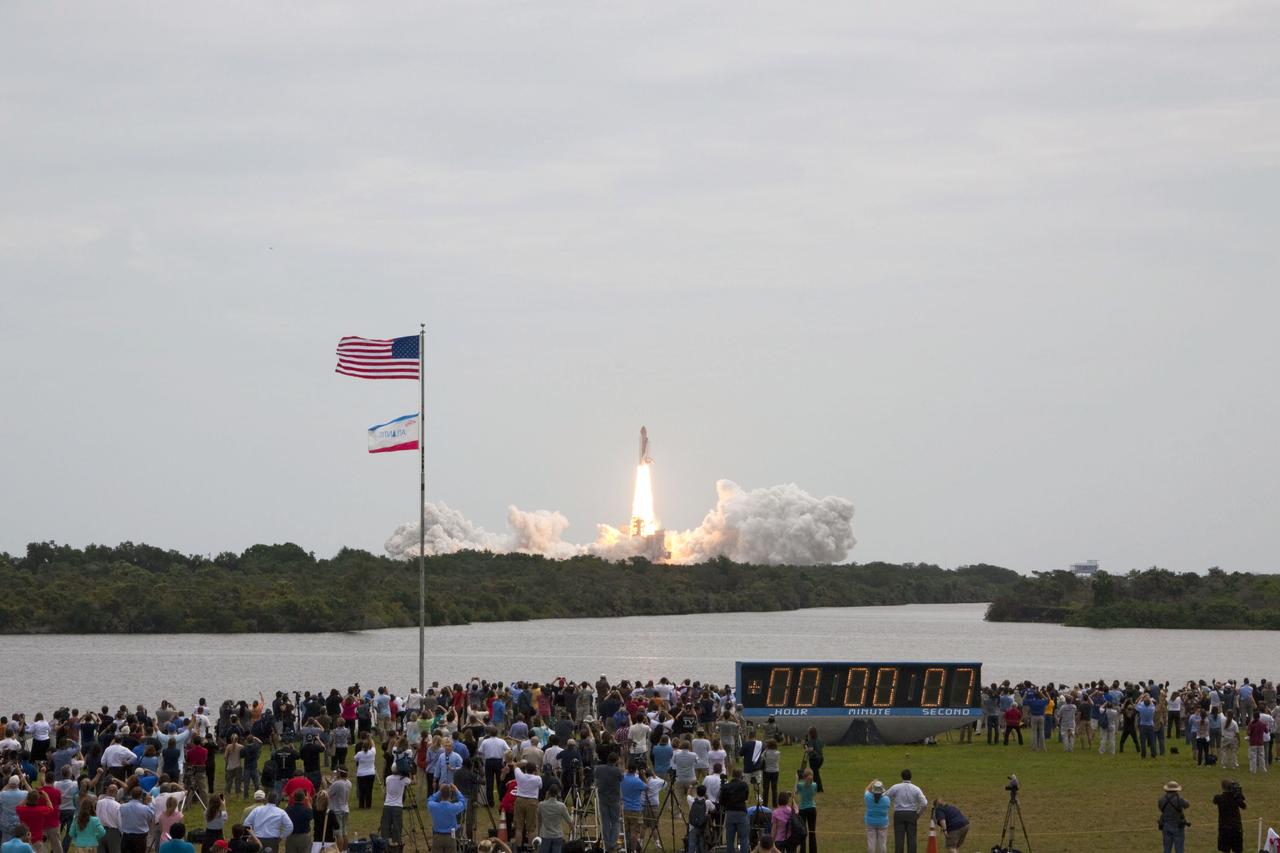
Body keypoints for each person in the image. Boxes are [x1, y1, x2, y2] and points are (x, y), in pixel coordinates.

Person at [885, 770, 926, 853]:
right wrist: (918, 814)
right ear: (911, 777)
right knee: (912, 838)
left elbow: (885, 796)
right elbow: (924, 803)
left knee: (899, 839)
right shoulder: (916, 788)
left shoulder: (896, 787)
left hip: (899, 814)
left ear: (902, 776)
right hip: (911, 814)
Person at [595, 751, 623, 853]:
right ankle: (612, 843)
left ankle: (607, 844)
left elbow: (596, 778)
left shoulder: (599, 768)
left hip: (602, 798)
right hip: (614, 799)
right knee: (615, 822)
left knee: (605, 821)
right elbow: (621, 779)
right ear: (616, 760)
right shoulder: (617, 770)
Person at [379, 758, 410, 848]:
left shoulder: (388, 778)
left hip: (387, 805)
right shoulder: (404, 780)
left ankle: (384, 843)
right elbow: (413, 781)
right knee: (397, 826)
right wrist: (408, 773)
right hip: (397, 806)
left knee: (385, 825)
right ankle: (396, 843)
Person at [426, 784, 467, 853]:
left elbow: (430, 799)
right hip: (451, 836)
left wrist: (439, 791)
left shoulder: (433, 806)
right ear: (450, 795)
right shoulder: (453, 807)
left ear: (440, 795)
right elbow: (463, 802)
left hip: (437, 836)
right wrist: (457, 791)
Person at [720, 769, 750, 853]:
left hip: (730, 812)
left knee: (730, 840)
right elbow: (746, 797)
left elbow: (721, 800)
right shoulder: (744, 785)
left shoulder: (726, 786)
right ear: (741, 776)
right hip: (741, 812)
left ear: (732, 775)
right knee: (744, 838)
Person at [537, 785, 572, 853]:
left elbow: (539, 820)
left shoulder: (541, 805)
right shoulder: (561, 806)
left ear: (548, 793)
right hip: (557, 835)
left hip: (545, 835)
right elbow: (569, 821)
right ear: (558, 793)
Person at [1213, 780, 1245, 853]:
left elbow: (1214, 800)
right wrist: (1239, 794)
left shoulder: (1219, 798)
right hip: (1236, 827)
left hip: (1224, 828)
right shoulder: (1235, 798)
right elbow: (1244, 806)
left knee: (1225, 850)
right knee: (1238, 850)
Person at [1157, 781, 1189, 853]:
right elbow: (1187, 805)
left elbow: (1160, 808)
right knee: (1179, 849)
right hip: (1177, 826)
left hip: (1166, 825)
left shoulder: (1161, 799)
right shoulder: (1179, 799)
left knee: (1167, 849)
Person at [863, 781, 889, 853]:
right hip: (882, 823)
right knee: (883, 844)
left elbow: (866, 790)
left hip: (870, 822)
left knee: (871, 843)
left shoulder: (868, 797)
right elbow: (886, 794)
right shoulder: (886, 799)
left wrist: (872, 783)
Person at [794, 769, 817, 853]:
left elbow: (794, 793)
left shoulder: (800, 785)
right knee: (812, 831)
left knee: (803, 832)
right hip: (812, 809)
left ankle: (802, 851)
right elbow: (813, 793)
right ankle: (813, 851)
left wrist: (797, 779)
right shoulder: (815, 785)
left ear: (804, 776)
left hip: (803, 809)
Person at [353, 739, 377, 810]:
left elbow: (355, 759)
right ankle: (368, 805)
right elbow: (373, 746)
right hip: (371, 773)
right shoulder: (372, 752)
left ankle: (361, 805)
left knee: (362, 790)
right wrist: (371, 739)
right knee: (369, 790)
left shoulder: (359, 754)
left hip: (361, 774)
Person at [686, 786, 709, 853]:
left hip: (692, 826)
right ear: (704, 793)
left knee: (692, 844)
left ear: (696, 792)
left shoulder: (691, 800)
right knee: (701, 844)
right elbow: (713, 808)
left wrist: (690, 786)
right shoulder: (707, 802)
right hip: (702, 827)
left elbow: (688, 795)